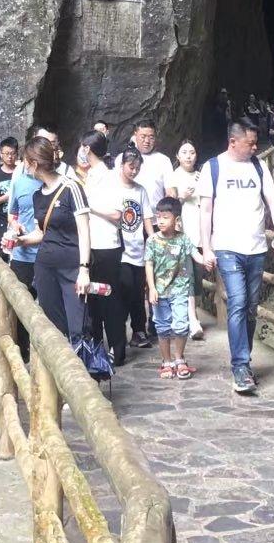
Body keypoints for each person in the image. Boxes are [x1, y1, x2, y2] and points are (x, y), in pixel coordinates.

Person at [199, 119, 274, 393]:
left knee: (250, 307)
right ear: (233, 142)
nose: (254, 148)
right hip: (227, 247)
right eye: (250, 143)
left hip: (257, 247)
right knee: (238, 302)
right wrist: (206, 247)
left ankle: (244, 361)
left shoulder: (259, 166)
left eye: (255, 143)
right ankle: (240, 365)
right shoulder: (213, 167)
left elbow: (273, 201)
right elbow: (205, 210)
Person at [14, 136, 91, 339]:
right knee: (54, 327)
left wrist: (84, 270)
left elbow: (84, 231)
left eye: (25, 162)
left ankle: (83, 359)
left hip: (72, 266)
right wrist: (20, 240)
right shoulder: (37, 195)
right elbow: (41, 233)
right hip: (45, 267)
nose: (24, 167)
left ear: (34, 163)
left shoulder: (71, 188)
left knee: (78, 327)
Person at [76, 129, 127, 365]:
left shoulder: (109, 176)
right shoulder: (90, 175)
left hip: (107, 245)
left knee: (110, 298)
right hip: (91, 245)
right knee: (93, 300)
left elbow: (117, 214)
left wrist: (89, 207)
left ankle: (118, 349)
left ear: (87, 149)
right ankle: (96, 348)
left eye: (82, 147)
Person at [146, 196, 208, 380]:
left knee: (181, 325)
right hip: (159, 291)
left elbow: (196, 255)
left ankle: (179, 359)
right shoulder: (152, 241)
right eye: (158, 217)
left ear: (177, 220)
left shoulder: (183, 239)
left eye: (165, 217)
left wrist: (207, 260)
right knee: (162, 327)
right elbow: (148, 264)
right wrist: (151, 288)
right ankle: (166, 361)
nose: (161, 221)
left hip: (180, 289)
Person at [5, 138, 42, 362]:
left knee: (46, 308)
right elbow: (12, 214)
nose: (25, 164)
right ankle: (24, 353)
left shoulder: (50, 183)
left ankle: (44, 357)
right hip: (22, 255)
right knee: (21, 303)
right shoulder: (19, 183)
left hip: (45, 254)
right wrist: (15, 225)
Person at [170, 141, 205, 340]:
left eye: (192, 152)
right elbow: (169, 206)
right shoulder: (174, 176)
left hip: (200, 233)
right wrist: (181, 197)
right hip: (183, 234)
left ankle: (192, 313)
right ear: (177, 156)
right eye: (184, 152)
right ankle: (192, 320)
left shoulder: (202, 176)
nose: (188, 156)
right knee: (188, 275)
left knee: (198, 276)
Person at [116, 146, 150, 348]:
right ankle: (120, 331)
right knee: (125, 288)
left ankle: (139, 331)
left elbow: (147, 217)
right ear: (122, 165)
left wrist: (152, 240)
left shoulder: (140, 190)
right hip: (120, 250)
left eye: (137, 168)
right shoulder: (113, 188)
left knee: (138, 291)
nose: (134, 171)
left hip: (138, 248)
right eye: (131, 167)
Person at [115, 117, 173, 234]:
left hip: (156, 222)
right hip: (128, 221)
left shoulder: (163, 160)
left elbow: (170, 192)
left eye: (151, 137)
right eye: (143, 136)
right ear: (135, 135)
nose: (147, 141)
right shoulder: (122, 158)